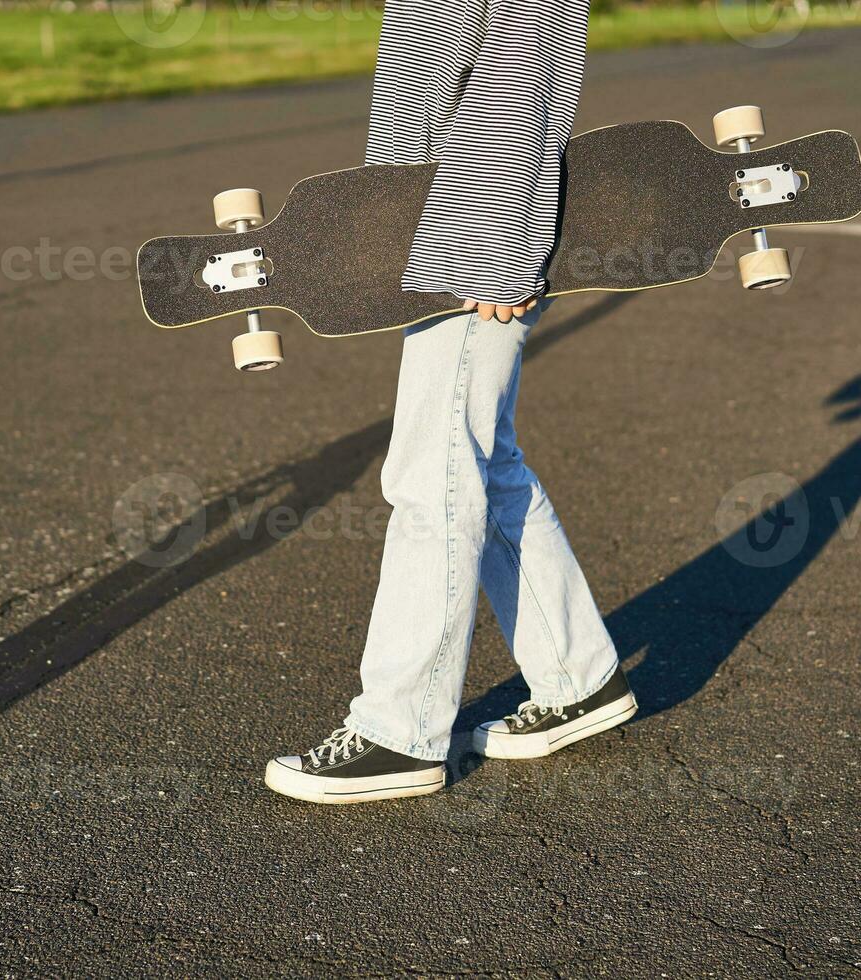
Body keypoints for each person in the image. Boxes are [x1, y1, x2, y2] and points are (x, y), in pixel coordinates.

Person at [263, 0, 634, 804]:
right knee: (478, 458)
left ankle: (401, 733)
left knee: (432, 469)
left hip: (470, 229)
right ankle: (579, 678)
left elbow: (525, 56)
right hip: (432, 223)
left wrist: (495, 242)